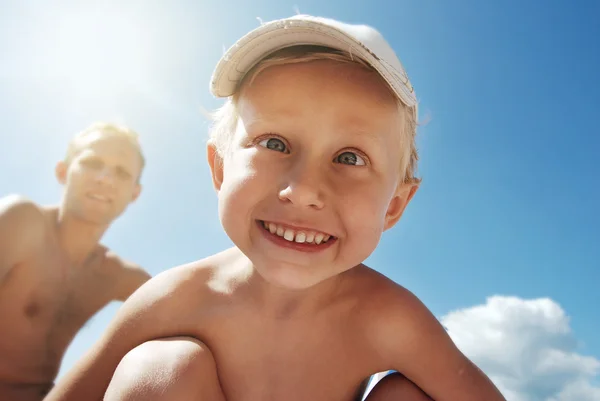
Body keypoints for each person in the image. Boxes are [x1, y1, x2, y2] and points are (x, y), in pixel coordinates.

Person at [46, 15, 507, 401]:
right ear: (220, 169)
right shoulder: (175, 300)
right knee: (159, 370)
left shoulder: (389, 318)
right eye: (274, 142)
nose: (304, 188)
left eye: (350, 158)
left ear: (394, 207)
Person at [0, 122, 152, 401]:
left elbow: (185, 308)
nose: (105, 178)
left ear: (134, 193)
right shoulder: (21, 222)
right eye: (93, 163)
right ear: (63, 171)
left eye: (121, 172)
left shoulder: (118, 275)